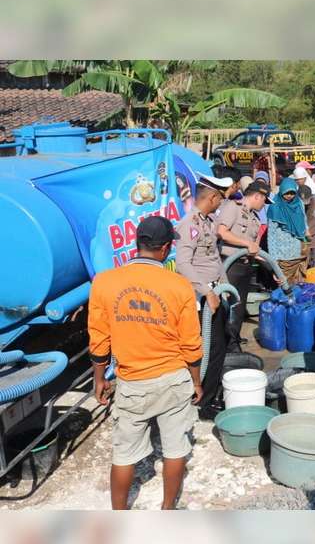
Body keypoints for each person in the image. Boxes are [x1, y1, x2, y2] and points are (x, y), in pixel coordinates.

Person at [89, 217, 203, 510]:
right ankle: (167, 509)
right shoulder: (179, 285)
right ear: (165, 249)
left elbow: (99, 338)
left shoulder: (104, 282)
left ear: (137, 243)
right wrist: (196, 381)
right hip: (173, 379)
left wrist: (99, 379)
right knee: (175, 449)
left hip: (132, 384)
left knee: (124, 455)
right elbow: (191, 343)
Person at [175, 176, 230, 420]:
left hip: (215, 294)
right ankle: (202, 402)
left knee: (219, 346)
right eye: (220, 198)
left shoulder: (208, 221)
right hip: (201, 298)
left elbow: (214, 259)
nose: (221, 203)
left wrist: (225, 288)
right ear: (213, 197)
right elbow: (183, 264)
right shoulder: (189, 224)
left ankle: (210, 394)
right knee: (207, 348)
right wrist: (207, 291)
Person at [217, 180, 271, 351]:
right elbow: (222, 232)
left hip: (245, 266)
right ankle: (225, 344)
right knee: (227, 305)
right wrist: (246, 244)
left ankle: (233, 340)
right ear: (257, 196)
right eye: (264, 200)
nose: (264, 205)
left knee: (239, 307)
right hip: (229, 265)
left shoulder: (255, 219)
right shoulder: (233, 207)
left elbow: (255, 250)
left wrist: (271, 269)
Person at [267, 177, 309, 284]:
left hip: (298, 252)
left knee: (298, 286)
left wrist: (307, 234)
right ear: (281, 191)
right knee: (284, 286)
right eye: (287, 193)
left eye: (292, 193)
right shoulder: (274, 207)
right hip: (282, 255)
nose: (290, 196)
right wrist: (274, 261)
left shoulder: (299, 204)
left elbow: (304, 220)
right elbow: (271, 236)